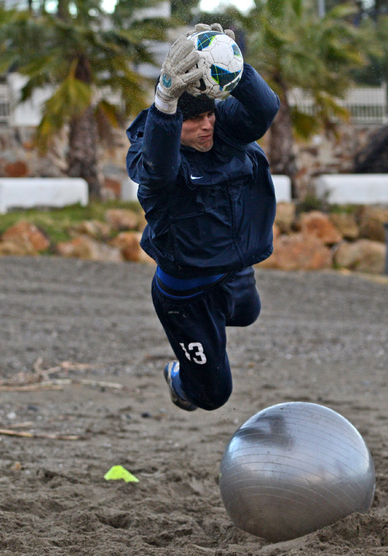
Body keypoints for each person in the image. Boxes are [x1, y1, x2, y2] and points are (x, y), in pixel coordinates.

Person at [126, 23, 281, 412]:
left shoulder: (224, 130)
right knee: (212, 396)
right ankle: (179, 375)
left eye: (209, 114)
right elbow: (158, 168)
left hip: (234, 271)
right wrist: (165, 103)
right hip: (187, 295)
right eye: (194, 120)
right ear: (174, 120)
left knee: (248, 313)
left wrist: (235, 67)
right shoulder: (153, 154)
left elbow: (264, 110)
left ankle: (206, 343)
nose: (207, 125)